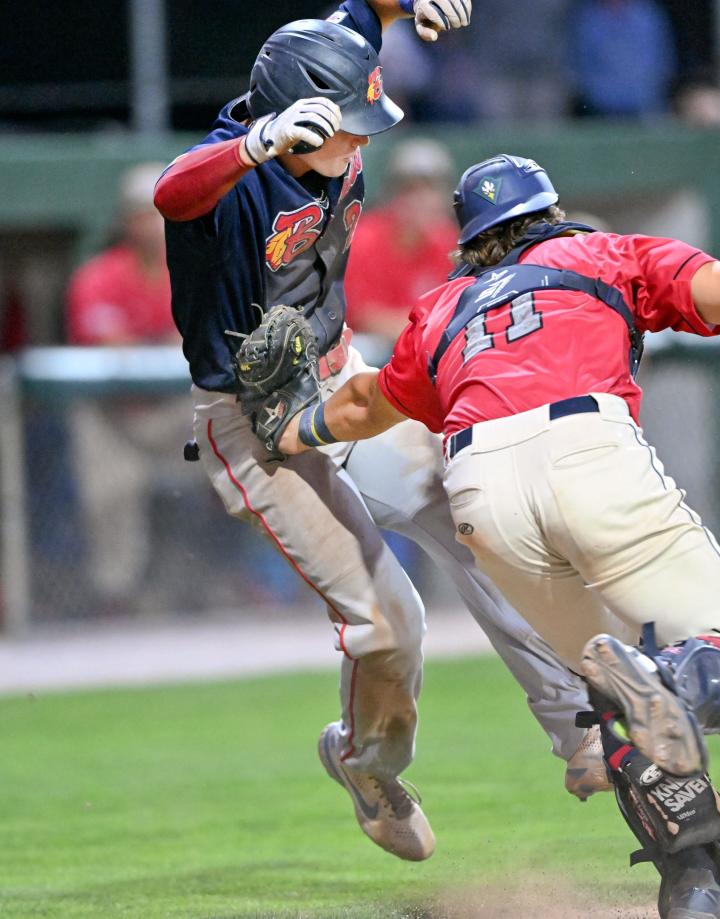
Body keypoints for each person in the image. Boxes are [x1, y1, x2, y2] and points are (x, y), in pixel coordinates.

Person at [273, 155, 720, 917]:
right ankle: (668, 684)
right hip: (587, 453)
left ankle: (694, 882)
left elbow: (360, 408)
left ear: (473, 240)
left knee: (617, 699)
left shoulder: (443, 307)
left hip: (481, 492)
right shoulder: (605, 251)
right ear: (550, 214)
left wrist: (284, 429)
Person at [153, 6, 603, 865]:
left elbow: (349, 17)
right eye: (346, 127)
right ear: (291, 123)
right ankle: (367, 764)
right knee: (392, 619)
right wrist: (255, 144)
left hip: (338, 380)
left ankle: (580, 730)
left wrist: (396, 5)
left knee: (480, 511)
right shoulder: (234, 177)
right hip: (252, 426)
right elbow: (172, 190)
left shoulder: (323, 77)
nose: (360, 144)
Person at [66, 162, 193, 614]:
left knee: (248, 458)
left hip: (180, 415)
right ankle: (114, 598)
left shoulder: (196, 269)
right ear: (125, 221)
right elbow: (106, 342)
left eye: (162, 212)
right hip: (114, 415)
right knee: (111, 489)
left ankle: (228, 584)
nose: (153, 223)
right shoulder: (99, 275)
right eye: (143, 213)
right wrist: (167, 341)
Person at [344, 138, 459, 340]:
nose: (422, 200)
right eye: (410, 190)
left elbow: (456, 311)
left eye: (432, 189)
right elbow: (362, 317)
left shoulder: (446, 240)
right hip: (367, 354)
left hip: (421, 347)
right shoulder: (364, 238)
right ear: (392, 194)